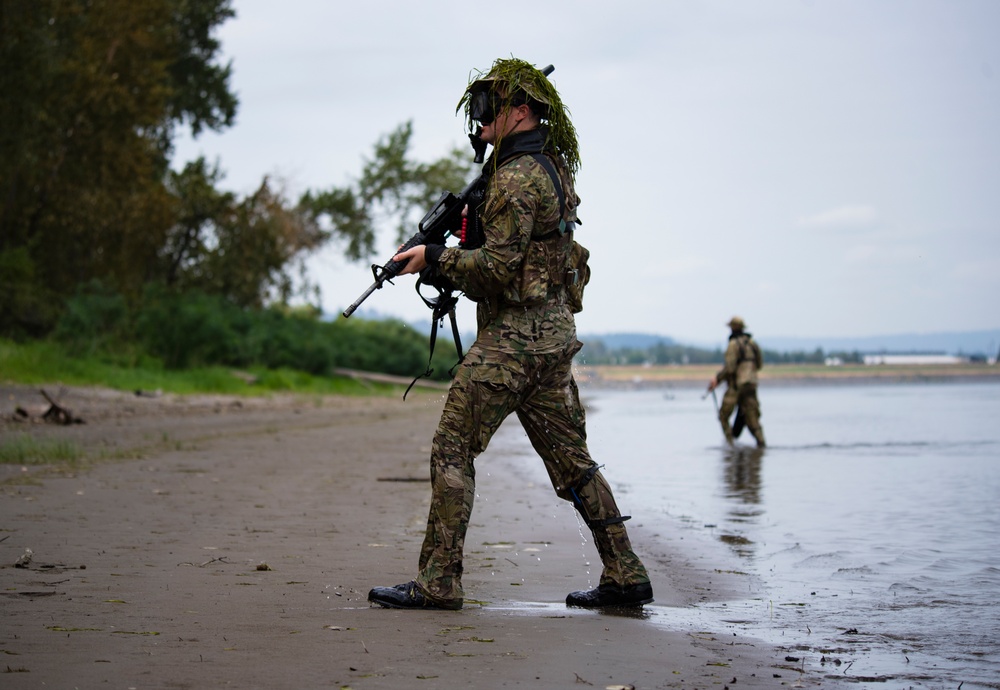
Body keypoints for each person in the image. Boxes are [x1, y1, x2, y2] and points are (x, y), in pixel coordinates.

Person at [367, 58, 653, 611]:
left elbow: (496, 270)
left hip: (512, 346)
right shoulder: (549, 168)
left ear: (521, 112)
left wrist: (435, 258)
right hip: (552, 339)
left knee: (453, 446)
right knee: (574, 462)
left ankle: (439, 582)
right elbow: (522, 259)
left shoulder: (516, 179)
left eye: (488, 110)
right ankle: (625, 572)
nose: (478, 122)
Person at [707, 316, 766, 447]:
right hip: (751, 385)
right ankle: (761, 444)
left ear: (732, 328)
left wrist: (717, 379)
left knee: (723, 416)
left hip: (736, 386)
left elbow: (730, 368)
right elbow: (760, 365)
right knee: (753, 419)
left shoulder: (733, 345)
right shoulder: (752, 343)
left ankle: (730, 445)